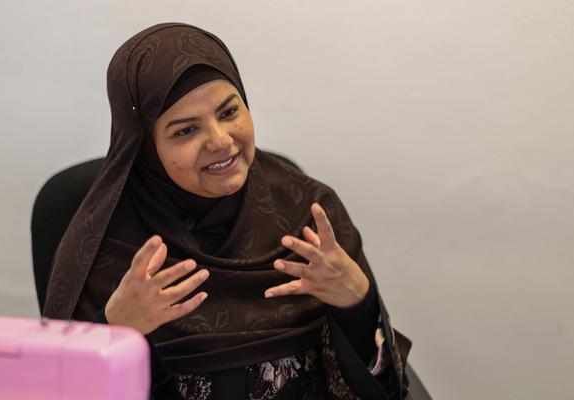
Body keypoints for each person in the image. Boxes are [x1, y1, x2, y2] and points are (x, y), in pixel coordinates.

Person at [43, 23, 410, 399]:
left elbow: (384, 387)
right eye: (186, 130)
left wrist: (358, 305)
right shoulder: (109, 248)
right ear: (145, 145)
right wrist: (116, 332)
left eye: (229, 111)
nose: (221, 141)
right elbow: (64, 387)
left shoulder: (306, 213)